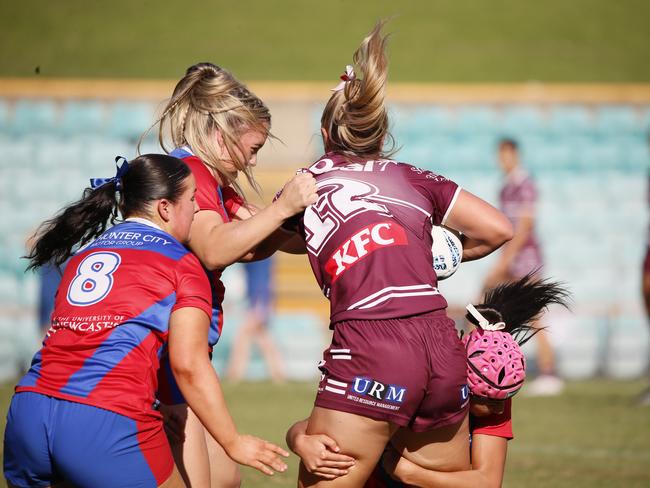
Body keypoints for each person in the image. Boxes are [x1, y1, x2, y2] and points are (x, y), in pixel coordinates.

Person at [291, 21, 513, 487]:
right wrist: (426, 255)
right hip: (439, 344)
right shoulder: (412, 177)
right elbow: (497, 229)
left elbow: (255, 244)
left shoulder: (310, 182)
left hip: (373, 344)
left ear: (326, 131)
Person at [3, 155, 288, 488]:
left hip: (28, 411)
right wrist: (233, 441)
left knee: (225, 477)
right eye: (193, 199)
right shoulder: (182, 263)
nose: (197, 209)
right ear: (165, 208)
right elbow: (188, 366)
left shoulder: (85, 255)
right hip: (103, 418)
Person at [150, 62, 317, 487]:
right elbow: (214, 248)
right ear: (223, 135)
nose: (255, 159)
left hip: (183, 350)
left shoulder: (214, 181)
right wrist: (283, 209)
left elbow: (264, 236)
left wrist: (327, 224)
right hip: (168, 352)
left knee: (225, 478)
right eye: (254, 146)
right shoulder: (191, 172)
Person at [288, 275, 571, 487]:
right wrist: (300, 441)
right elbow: (315, 425)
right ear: (464, 382)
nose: (498, 410)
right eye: (488, 400)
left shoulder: (494, 390)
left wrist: (411, 473)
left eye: (503, 400)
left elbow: (486, 482)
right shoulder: (424, 379)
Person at [484, 138, 563, 397]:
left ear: (515, 154)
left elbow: (524, 226)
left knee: (533, 315)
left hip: (525, 258)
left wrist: (504, 260)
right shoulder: (506, 187)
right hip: (510, 257)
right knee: (485, 305)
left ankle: (549, 372)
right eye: (500, 155)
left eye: (506, 154)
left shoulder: (524, 184)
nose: (502, 159)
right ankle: (483, 366)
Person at [226, 257, 285, 383]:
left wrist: (263, 302)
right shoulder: (263, 254)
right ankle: (278, 374)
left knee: (243, 335)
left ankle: (234, 374)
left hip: (259, 299)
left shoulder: (260, 255)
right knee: (262, 339)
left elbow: (264, 279)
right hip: (257, 299)